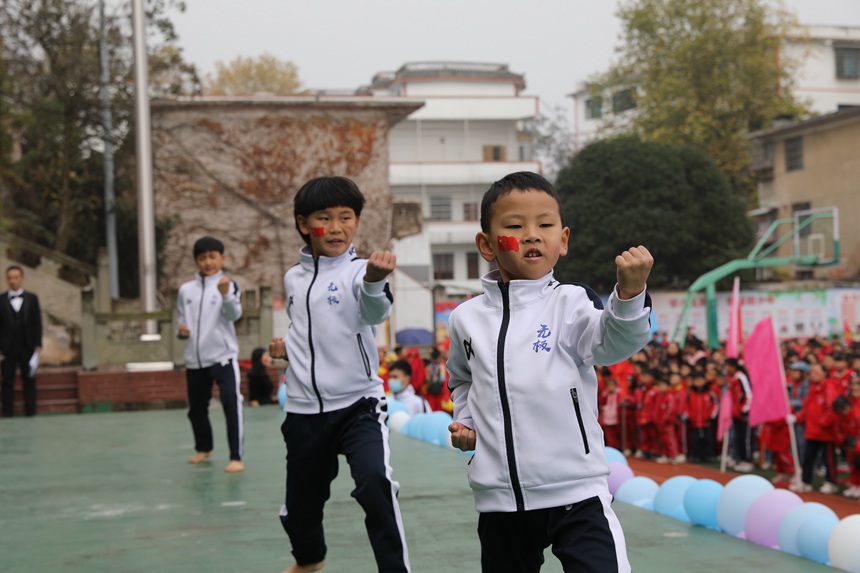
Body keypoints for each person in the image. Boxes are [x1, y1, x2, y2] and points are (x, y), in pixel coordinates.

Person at [445, 171, 653, 573]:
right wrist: (465, 420)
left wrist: (629, 295)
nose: (532, 234)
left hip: (576, 491)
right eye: (514, 226)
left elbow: (613, 345)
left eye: (544, 225)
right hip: (499, 499)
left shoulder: (572, 303)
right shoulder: (464, 319)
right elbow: (462, 380)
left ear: (564, 239)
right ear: (487, 244)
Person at [268, 176, 410, 573]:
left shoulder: (362, 273)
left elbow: (373, 313)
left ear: (357, 223)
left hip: (358, 405)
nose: (335, 227)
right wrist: (285, 349)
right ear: (303, 223)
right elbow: (306, 327)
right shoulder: (293, 277)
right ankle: (310, 559)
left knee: (375, 485)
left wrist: (374, 281)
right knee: (300, 507)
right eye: (324, 218)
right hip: (303, 410)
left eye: (346, 217)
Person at [177, 236, 245, 473]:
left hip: (223, 357)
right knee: (196, 408)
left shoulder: (229, 284)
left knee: (230, 403)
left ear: (222, 258)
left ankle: (236, 456)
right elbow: (181, 319)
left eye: (212, 257)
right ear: (196, 260)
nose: (208, 262)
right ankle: (203, 448)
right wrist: (182, 330)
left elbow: (234, 315)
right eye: (202, 258)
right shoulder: (186, 290)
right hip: (194, 360)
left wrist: (225, 294)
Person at [0, 265, 42, 417]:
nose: (13, 281)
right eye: (10, 278)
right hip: (7, 347)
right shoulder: (1, 299)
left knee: (29, 379)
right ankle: (7, 412)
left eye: (16, 277)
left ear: (22, 278)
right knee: (7, 380)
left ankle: (31, 411)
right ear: (7, 279)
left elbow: (37, 322)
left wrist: (38, 345)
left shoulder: (32, 298)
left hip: (28, 346)